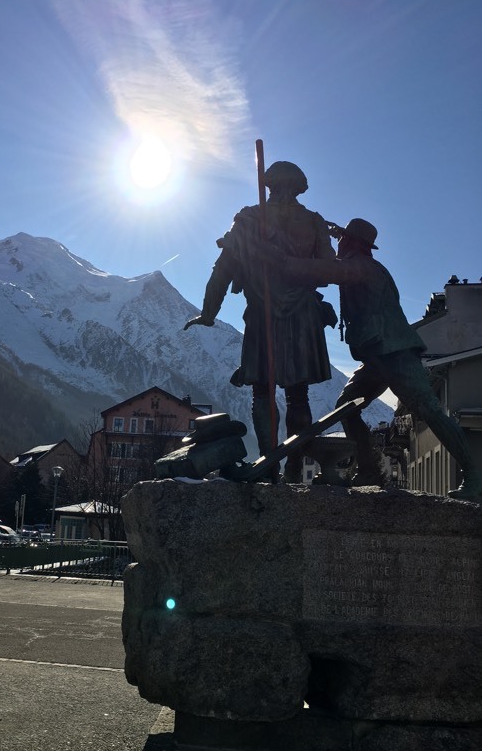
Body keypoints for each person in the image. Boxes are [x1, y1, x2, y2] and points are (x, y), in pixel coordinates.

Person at [283, 217, 482, 499]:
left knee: (429, 411)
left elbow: (330, 271)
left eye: (342, 240)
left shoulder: (362, 267)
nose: (339, 243)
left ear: (350, 242)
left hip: (394, 351)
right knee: (347, 408)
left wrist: (293, 258)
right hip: (377, 354)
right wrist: (336, 235)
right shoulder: (363, 263)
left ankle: (474, 477)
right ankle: (369, 469)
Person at [184, 161, 337, 480]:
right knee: (298, 393)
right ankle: (293, 466)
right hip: (301, 314)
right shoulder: (313, 222)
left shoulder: (249, 219)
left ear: (270, 185)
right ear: (299, 186)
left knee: (263, 393)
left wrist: (209, 313)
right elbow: (328, 270)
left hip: (263, 313)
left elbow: (223, 269)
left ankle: (271, 466)